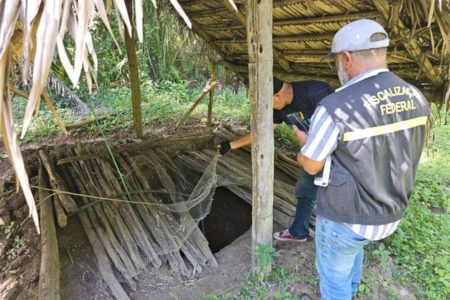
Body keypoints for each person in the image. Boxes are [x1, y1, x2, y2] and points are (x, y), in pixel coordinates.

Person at [294, 19, 430, 299]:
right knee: (351, 256)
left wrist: (305, 147)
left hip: (346, 218)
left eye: (335, 62)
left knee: (334, 282)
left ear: (346, 58)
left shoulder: (337, 106)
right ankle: (353, 291)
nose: (337, 68)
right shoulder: (416, 97)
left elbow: (311, 164)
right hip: (390, 212)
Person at [217, 78, 333, 242]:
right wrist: (230, 145)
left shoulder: (315, 91)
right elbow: (261, 132)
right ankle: (298, 231)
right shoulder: (278, 109)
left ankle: (344, 232)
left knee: (337, 190)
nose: (266, 108)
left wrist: (312, 142)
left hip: (338, 151)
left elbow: (341, 118)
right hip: (311, 154)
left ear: (277, 96)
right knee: (305, 190)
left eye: (266, 103)